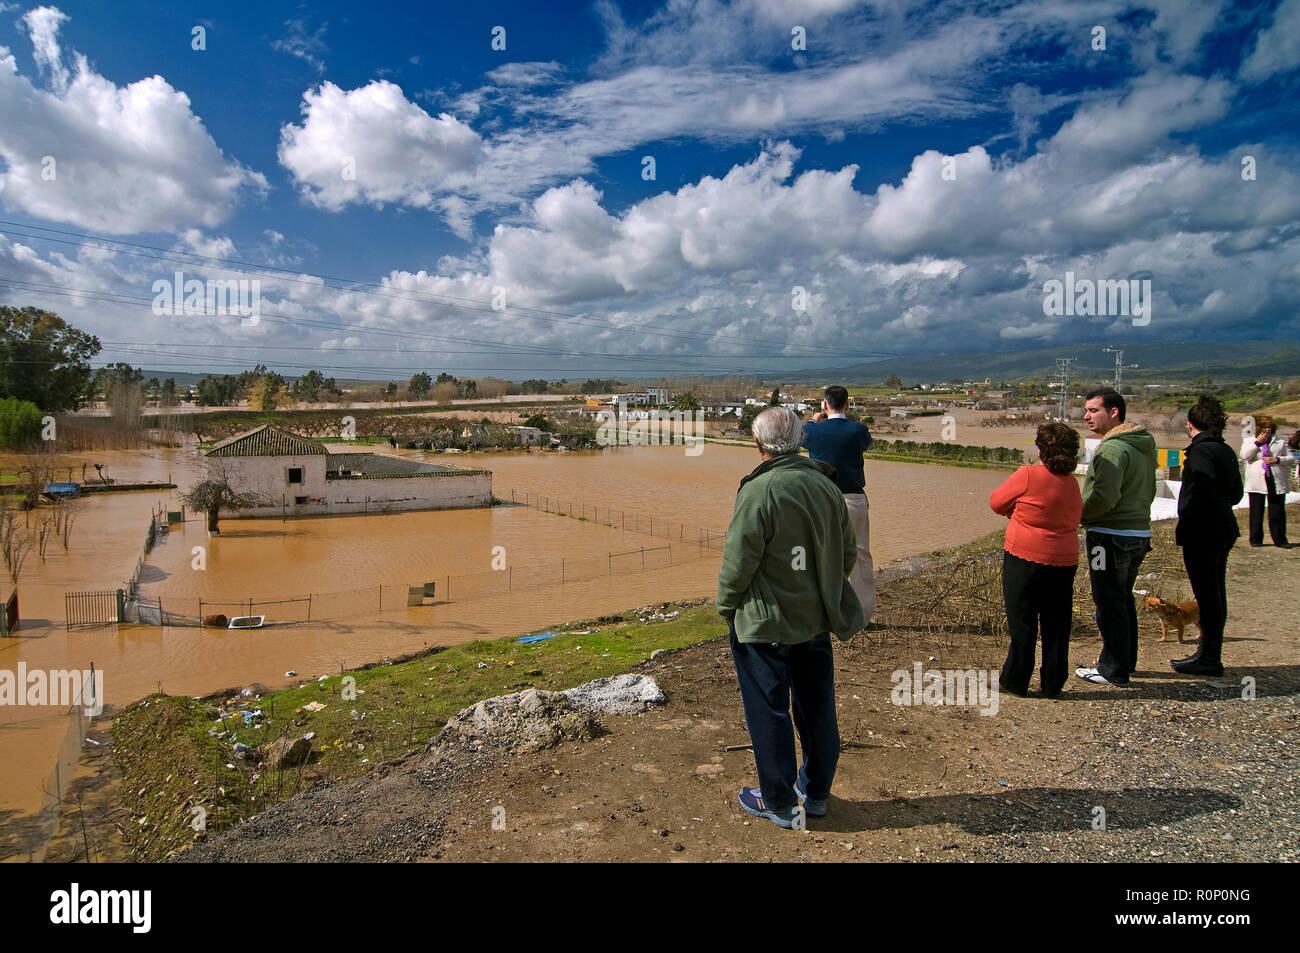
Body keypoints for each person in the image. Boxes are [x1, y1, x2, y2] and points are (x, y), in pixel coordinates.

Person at [717, 406, 864, 829]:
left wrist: (727, 607)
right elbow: (846, 553)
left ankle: (779, 802)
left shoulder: (759, 491)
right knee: (817, 707)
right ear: (800, 440)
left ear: (758, 444)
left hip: (766, 625)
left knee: (769, 711)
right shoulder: (826, 486)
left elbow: (738, 562)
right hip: (814, 620)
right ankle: (815, 793)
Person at [990, 423, 1082, 698]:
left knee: (1023, 621)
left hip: (1026, 557)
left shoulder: (1028, 475)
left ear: (1041, 450)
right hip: (1064, 560)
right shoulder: (1072, 482)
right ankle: (1053, 683)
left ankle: (1015, 681)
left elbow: (996, 502)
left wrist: (1015, 509)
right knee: (1057, 622)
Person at [1075, 388, 1157, 686]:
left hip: (1109, 536)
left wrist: (1077, 515)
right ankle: (1126, 661)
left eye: (1093, 410)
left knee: (1107, 601)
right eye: (1086, 410)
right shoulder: (1143, 444)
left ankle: (1112, 669)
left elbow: (1104, 498)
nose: (1086, 416)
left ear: (1114, 412)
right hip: (1138, 533)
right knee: (1121, 599)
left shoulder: (1110, 449)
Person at [1172, 395, 1244, 676]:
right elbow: (1236, 494)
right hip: (1224, 526)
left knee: (1206, 595)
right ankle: (1210, 652)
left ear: (1190, 424)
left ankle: (1209, 657)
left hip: (1203, 531)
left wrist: (1187, 519)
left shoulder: (1200, 453)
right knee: (1215, 592)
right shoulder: (1225, 450)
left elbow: (1197, 491)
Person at [801, 385, 875, 624]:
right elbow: (864, 444)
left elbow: (803, 436)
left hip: (821, 499)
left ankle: (822, 614)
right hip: (853, 498)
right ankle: (862, 616)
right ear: (848, 404)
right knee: (860, 555)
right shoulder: (858, 430)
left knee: (822, 555)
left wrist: (814, 421)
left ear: (825, 405)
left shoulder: (812, 432)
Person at [1239, 414, 1292, 548]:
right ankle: (1256, 539)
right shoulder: (1250, 441)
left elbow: (1290, 458)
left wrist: (1278, 459)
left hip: (1275, 479)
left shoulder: (1280, 441)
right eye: (1264, 428)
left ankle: (1280, 539)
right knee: (1256, 512)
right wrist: (1257, 443)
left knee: (1277, 511)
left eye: (1269, 428)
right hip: (1257, 480)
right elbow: (1245, 456)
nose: (1267, 430)